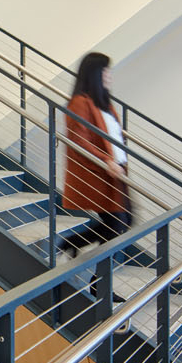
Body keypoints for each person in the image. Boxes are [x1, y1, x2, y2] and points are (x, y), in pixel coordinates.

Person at [62, 52, 131, 240]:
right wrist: (106, 161)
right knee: (116, 225)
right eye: (105, 71)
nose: (109, 75)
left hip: (117, 174)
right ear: (94, 74)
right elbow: (79, 140)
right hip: (101, 172)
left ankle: (72, 243)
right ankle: (71, 243)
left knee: (125, 221)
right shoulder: (79, 103)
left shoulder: (104, 104)